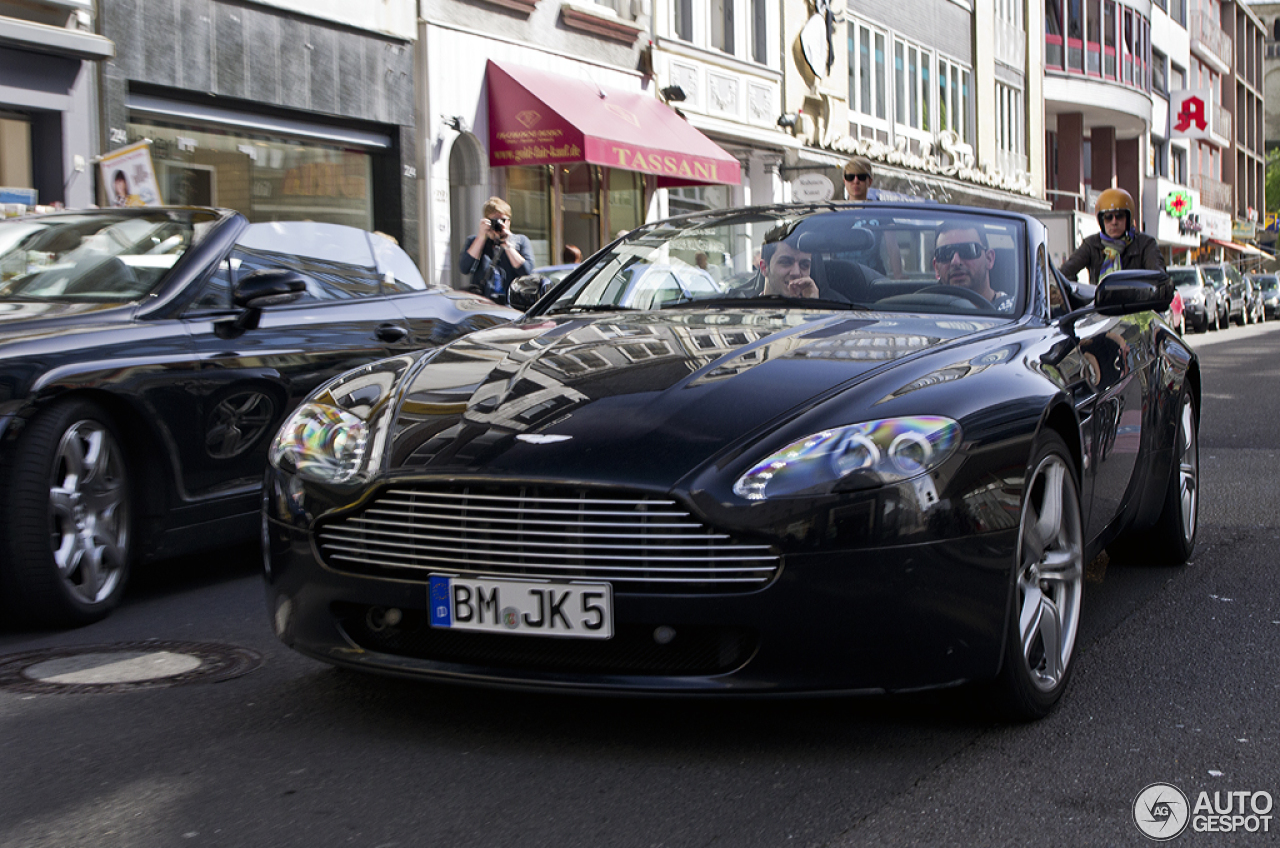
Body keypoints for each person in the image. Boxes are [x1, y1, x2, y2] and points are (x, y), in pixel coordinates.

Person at [1059, 187, 1164, 284]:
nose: (1114, 222)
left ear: (1128, 218)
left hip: (1137, 303)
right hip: (1101, 303)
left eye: (1119, 216)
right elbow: (1064, 272)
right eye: (1108, 217)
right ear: (1101, 221)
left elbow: (1159, 276)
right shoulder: (1091, 244)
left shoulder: (1145, 244)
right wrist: (1076, 295)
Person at [459, 196, 534, 304]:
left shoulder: (520, 241)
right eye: (494, 221)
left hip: (512, 305)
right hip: (483, 305)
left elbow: (527, 271)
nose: (499, 224)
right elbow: (464, 268)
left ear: (509, 221)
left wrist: (507, 244)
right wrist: (481, 237)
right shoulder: (475, 241)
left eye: (503, 220)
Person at [932, 222, 1015, 312]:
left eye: (967, 250)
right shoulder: (927, 313)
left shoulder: (1014, 311)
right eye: (945, 254)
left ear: (989, 259)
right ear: (936, 267)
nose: (955, 261)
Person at [730, 232, 819, 299]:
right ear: (764, 268)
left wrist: (812, 307)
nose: (796, 273)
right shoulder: (739, 307)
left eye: (805, 265)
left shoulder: (828, 312)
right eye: (786, 262)